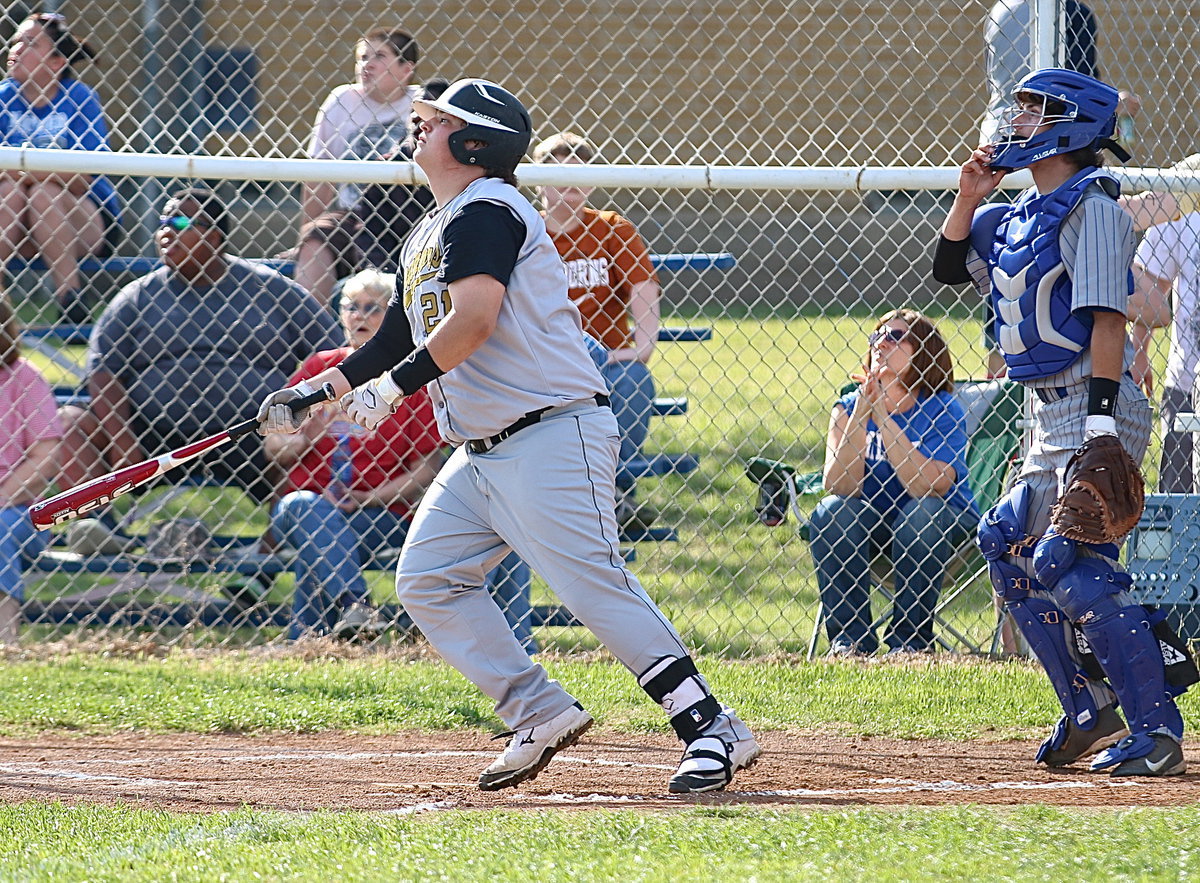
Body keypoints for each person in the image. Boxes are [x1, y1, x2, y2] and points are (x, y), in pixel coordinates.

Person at [257, 78, 760, 794]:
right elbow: (392, 339)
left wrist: (390, 389)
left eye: (430, 123)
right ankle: (538, 708)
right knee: (428, 579)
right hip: (484, 450)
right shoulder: (430, 229)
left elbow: (473, 322)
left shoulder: (488, 211)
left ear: (472, 141)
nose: (415, 132)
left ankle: (711, 726)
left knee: (593, 585)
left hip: (552, 430)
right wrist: (311, 393)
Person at [933, 68, 1196, 777]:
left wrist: (1105, 426)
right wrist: (967, 197)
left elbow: (1109, 319)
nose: (1014, 124)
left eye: (1031, 113)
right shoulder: (1015, 213)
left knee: (1067, 562)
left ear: (1069, 125)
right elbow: (948, 266)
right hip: (1042, 409)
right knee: (1007, 543)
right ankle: (1089, 710)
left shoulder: (1095, 208)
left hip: (1097, 402)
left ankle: (1157, 729)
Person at [265, 268, 537, 648]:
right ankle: (355, 608)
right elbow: (273, 448)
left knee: (321, 545)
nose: (359, 316)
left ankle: (312, 639)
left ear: (392, 318)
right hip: (314, 508)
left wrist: (368, 499)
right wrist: (307, 436)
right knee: (302, 509)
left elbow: (424, 470)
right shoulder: (318, 368)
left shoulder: (407, 379)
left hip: (383, 516)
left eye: (372, 309)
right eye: (351, 307)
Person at [59, 187, 342, 505]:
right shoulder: (137, 296)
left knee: (318, 431)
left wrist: (297, 417)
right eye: (163, 222)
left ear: (215, 236)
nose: (166, 231)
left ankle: (283, 539)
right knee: (69, 420)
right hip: (153, 434)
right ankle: (97, 530)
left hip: (256, 432)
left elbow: (331, 356)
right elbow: (103, 372)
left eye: (180, 223)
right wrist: (123, 441)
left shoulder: (274, 291)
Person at [808, 309, 978, 657]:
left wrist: (883, 417)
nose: (880, 343)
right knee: (830, 511)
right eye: (876, 336)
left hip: (942, 529)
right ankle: (850, 643)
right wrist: (862, 412)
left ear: (923, 350)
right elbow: (839, 486)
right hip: (874, 527)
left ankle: (910, 643)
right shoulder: (846, 409)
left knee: (923, 512)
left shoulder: (943, 409)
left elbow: (926, 487)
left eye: (895, 336)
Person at [532, 131, 661, 528]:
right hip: (539, 360)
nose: (572, 184)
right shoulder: (523, 230)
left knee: (635, 380)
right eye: (559, 173)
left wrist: (634, 352)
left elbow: (644, 293)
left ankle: (613, 493)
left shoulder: (612, 229)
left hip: (606, 361)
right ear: (537, 180)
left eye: (582, 173)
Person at [294, 28, 427, 308]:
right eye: (362, 57)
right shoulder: (343, 101)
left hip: (411, 213)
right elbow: (318, 178)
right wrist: (308, 231)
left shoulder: (424, 103)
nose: (367, 65)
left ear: (406, 68)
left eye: (379, 56)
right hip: (353, 213)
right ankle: (310, 333)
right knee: (315, 242)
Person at [0, 13, 119, 323]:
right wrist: (38, 173)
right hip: (18, 227)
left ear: (56, 62)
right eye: (14, 42)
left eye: (29, 43)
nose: (16, 49)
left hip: (84, 223)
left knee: (43, 193)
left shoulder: (80, 98)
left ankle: (72, 300)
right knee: (12, 191)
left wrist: (19, 171)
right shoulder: (3, 98)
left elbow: (82, 179)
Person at [1129, 162, 1200, 492]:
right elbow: (1153, 281)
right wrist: (1138, 351)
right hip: (1188, 378)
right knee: (1180, 496)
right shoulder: (1188, 182)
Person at [0, 291, 60, 643]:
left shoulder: (22, 378)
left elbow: (45, 456)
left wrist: (3, 497)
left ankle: (5, 642)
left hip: (20, 513)